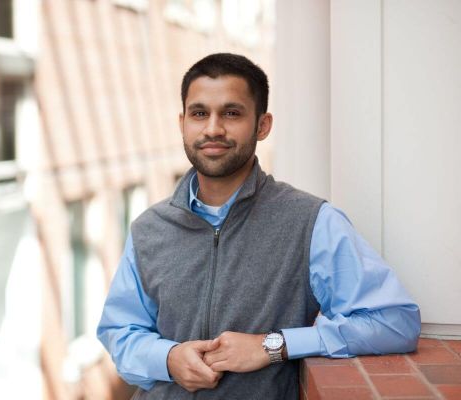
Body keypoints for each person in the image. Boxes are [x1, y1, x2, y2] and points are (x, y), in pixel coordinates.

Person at [97, 53, 420, 399]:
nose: (212, 129)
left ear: (262, 125)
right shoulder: (149, 229)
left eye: (231, 113)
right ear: (182, 123)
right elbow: (120, 330)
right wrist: (169, 357)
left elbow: (393, 321)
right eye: (200, 113)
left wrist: (273, 345)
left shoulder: (310, 222)